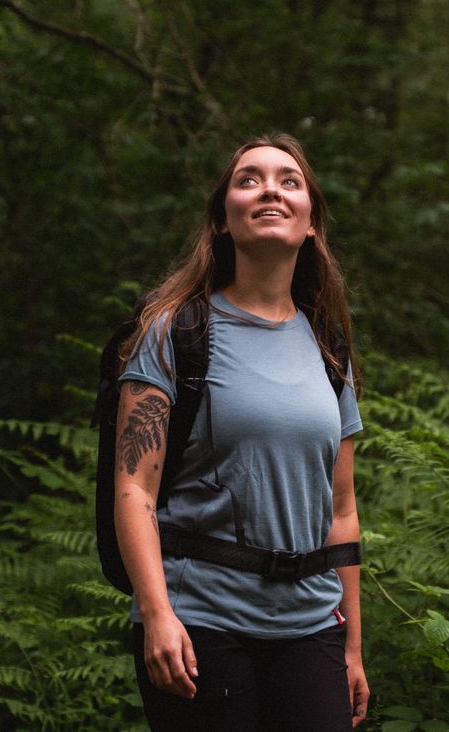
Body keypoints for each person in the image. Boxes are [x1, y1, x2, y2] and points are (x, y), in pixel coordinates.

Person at [113, 134, 369, 730]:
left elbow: (342, 509)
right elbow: (134, 492)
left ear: (311, 223)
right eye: (248, 179)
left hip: (311, 626)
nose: (270, 189)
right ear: (222, 220)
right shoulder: (174, 333)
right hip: (201, 623)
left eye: (289, 180)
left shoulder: (329, 348)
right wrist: (156, 615)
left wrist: (353, 647)